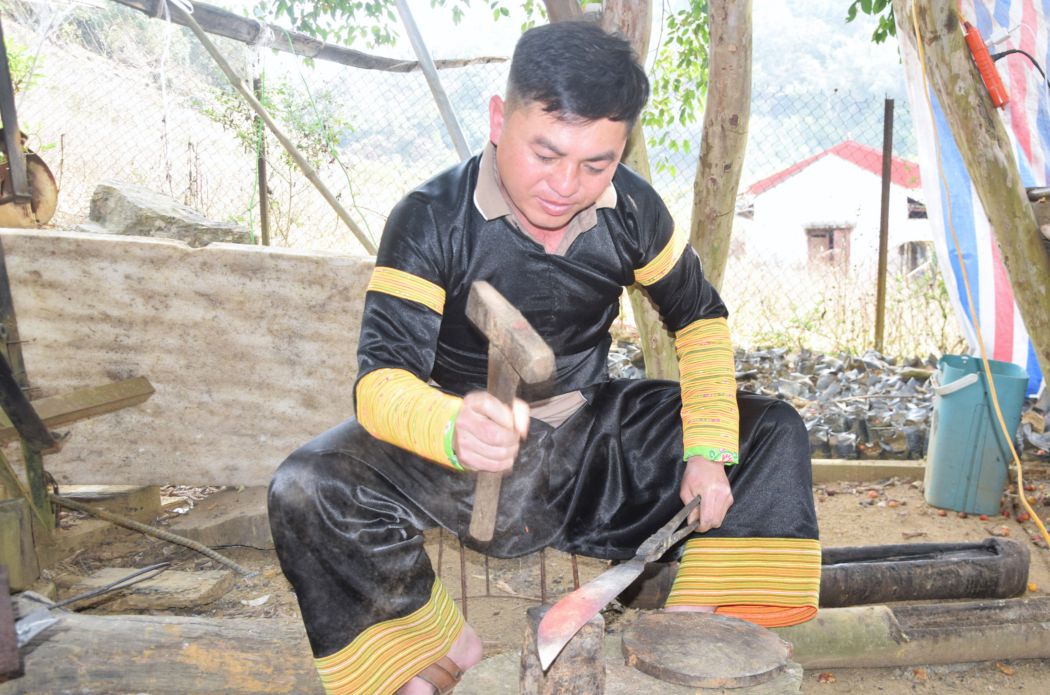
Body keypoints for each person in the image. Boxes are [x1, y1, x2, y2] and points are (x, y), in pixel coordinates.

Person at [268, 20, 820, 695]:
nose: (566, 184)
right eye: (546, 153)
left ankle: (683, 639)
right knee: (307, 483)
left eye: (597, 163)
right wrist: (449, 423)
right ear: (500, 119)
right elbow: (381, 380)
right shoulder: (428, 218)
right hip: (461, 455)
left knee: (771, 431)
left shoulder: (633, 210)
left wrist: (708, 449)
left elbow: (700, 319)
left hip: (587, 443)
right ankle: (434, 647)